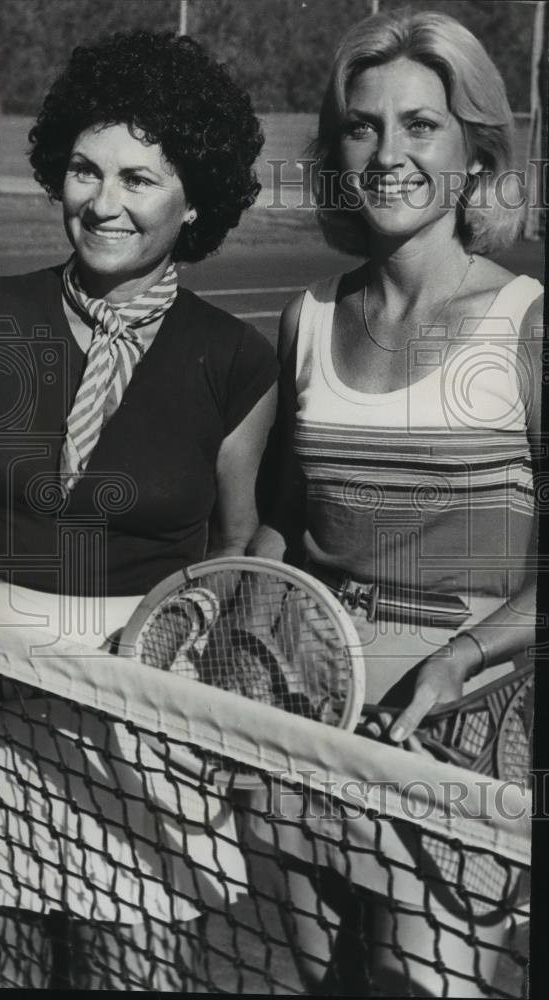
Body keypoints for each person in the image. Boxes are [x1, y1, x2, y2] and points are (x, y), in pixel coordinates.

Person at [250, 10, 542, 997]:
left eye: (421, 125)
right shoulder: (309, 317)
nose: (390, 154)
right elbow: (285, 523)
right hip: (307, 729)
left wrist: (462, 656)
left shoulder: (527, 325)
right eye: (364, 126)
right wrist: (236, 615)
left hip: (458, 754)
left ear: (476, 151)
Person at [0, 30, 277, 990]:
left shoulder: (232, 357)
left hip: (140, 721)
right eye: (84, 169)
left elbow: (237, 545)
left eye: (139, 178)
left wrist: (186, 641)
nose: (103, 202)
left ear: (193, 197)